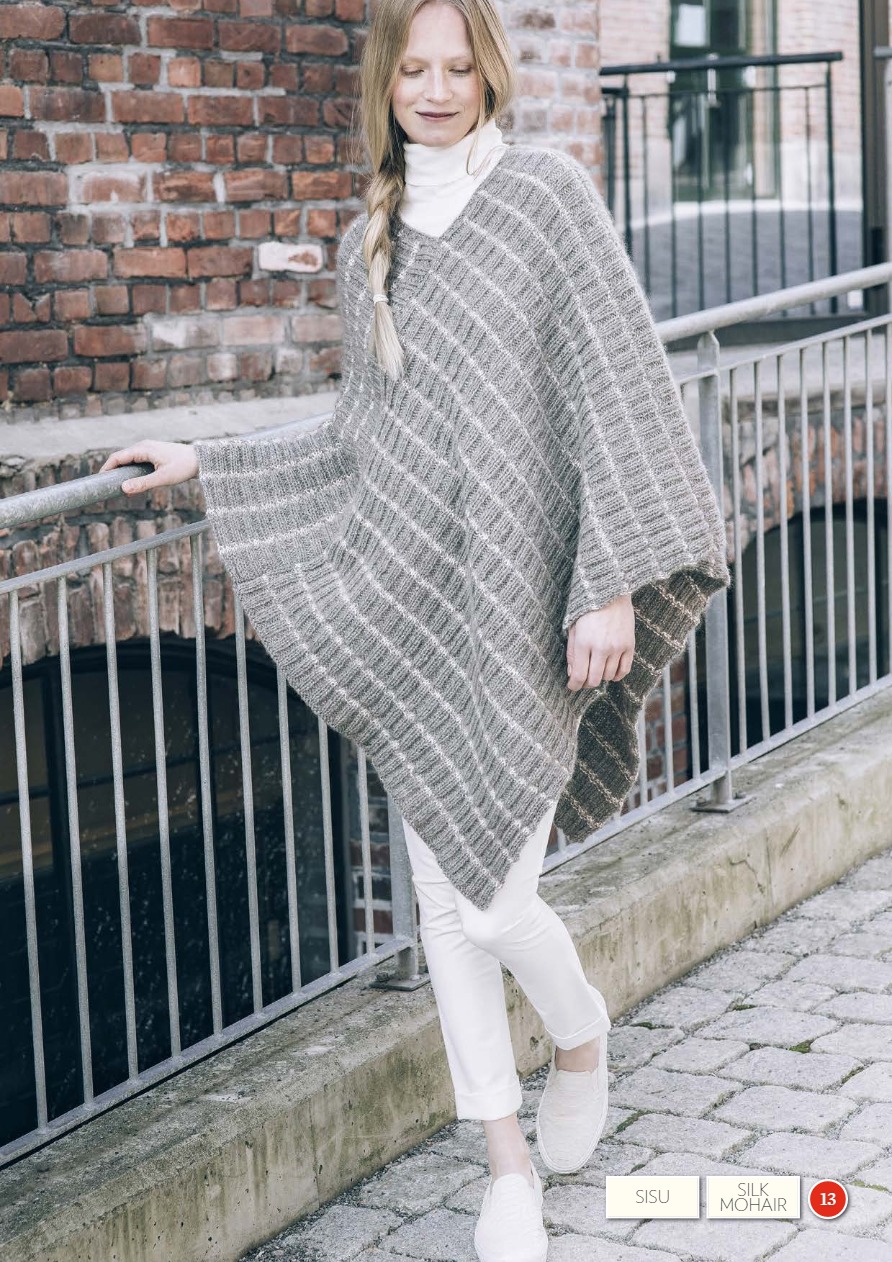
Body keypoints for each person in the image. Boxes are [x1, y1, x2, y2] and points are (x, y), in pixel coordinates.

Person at [100, 2, 731, 1257]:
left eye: (458, 68)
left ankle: (581, 1030)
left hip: (539, 595)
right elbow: (358, 438)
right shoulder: (367, 246)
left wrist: (608, 579)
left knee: (495, 908)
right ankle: (503, 1161)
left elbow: (618, 387)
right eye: (414, 70)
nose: (436, 91)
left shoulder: (545, 197)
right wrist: (207, 458)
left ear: (489, 74)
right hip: (429, 605)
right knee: (444, 908)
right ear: (386, 84)